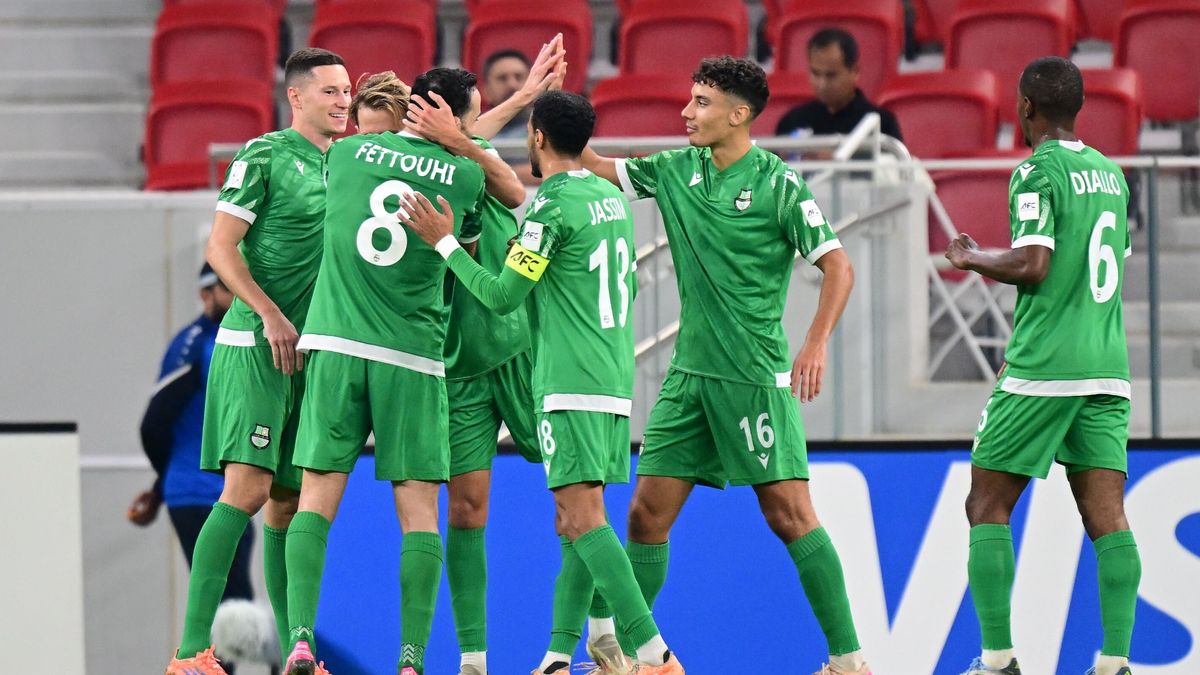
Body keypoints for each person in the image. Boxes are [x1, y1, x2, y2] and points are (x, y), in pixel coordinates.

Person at [580, 56, 870, 675]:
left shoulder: (778, 183)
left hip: (752, 378)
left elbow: (839, 266)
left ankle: (849, 662)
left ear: (739, 115)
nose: (687, 112)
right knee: (645, 515)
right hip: (689, 378)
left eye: (702, 102)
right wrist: (551, 117)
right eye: (689, 99)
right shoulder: (675, 170)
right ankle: (623, 652)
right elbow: (601, 169)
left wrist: (814, 342)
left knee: (790, 516)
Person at [403, 88, 685, 675]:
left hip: (567, 380)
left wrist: (446, 244)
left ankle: (653, 654)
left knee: (582, 518)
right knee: (582, 514)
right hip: (610, 378)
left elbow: (504, 296)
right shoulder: (608, 199)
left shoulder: (550, 210)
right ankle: (563, 655)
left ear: (536, 138)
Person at [280, 67, 520, 675]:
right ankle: (411, 660)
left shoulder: (349, 152)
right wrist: (464, 143)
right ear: (455, 118)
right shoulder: (467, 175)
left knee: (315, 499)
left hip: (335, 344)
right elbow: (473, 235)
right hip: (412, 356)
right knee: (417, 512)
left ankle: (301, 640)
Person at [946, 56, 1139, 675]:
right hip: (1107, 364)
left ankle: (998, 659)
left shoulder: (1035, 172)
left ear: (1025, 106)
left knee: (987, 504)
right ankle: (1115, 663)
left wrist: (973, 257)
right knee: (1107, 517)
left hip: (1044, 366)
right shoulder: (1112, 175)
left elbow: (1034, 264)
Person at [165, 48, 351, 675]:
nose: (343, 100)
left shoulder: (350, 165)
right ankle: (192, 651)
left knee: (289, 502)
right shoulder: (264, 156)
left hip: (314, 354)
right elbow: (221, 247)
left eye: (346, 89)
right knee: (244, 491)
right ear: (296, 97)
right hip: (256, 345)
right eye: (329, 91)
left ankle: (296, 646)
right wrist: (271, 314)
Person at [403, 37, 568, 675]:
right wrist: (471, 131)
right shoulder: (423, 166)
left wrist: (523, 99)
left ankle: (588, 642)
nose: (482, 129)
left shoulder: (466, 153)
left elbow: (504, 178)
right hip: (460, 368)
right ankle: (474, 660)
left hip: (522, 350)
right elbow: (492, 167)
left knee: (574, 498)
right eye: (472, 117)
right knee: (467, 510)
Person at [131, 265, 255, 672]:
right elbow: (154, 423)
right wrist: (166, 482)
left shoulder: (233, 335)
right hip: (200, 494)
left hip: (226, 492)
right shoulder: (196, 344)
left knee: (234, 601)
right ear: (207, 293)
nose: (239, 291)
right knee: (228, 603)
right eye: (228, 285)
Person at [774, 28, 902, 142]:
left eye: (831, 75)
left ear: (855, 71)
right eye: (816, 73)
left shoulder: (882, 124)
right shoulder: (791, 122)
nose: (822, 84)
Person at [482, 48, 534, 138]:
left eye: (519, 77)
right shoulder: (472, 135)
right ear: (486, 92)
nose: (512, 85)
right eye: (502, 78)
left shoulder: (549, 132)